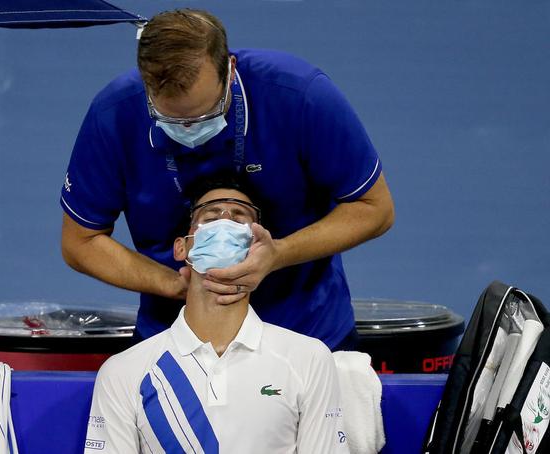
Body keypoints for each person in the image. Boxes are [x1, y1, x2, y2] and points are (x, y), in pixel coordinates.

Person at [60, 9, 394, 350]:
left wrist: (278, 254)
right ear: (147, 88)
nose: (189, 130)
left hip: (308, 334)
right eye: (170, 119)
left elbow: (375, 208)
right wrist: (174, 284)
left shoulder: (300, 95)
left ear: (230, 70)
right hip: (172, 338)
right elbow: (80, 242)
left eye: (205, 115)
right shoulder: (114, 114)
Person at [84, 180, 348, 453]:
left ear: (260, 248)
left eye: (239, 218)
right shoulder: (124, 371)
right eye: (209, 217)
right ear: (182, 248)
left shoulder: (309, 359)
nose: (224, 220)